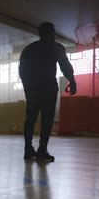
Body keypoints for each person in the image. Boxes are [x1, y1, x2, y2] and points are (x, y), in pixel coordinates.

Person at [19, 22, 77, 162]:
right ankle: (41, 150)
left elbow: (22, 71)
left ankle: (28, 149)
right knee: (47, 119)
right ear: (52, 33)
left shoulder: (29, 49)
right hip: (48, 87)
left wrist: (27, 87)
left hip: (32, 88)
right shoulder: (56, 47)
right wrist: (72, 81)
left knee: (30, 118)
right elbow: (65, 66)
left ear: (40, 34)